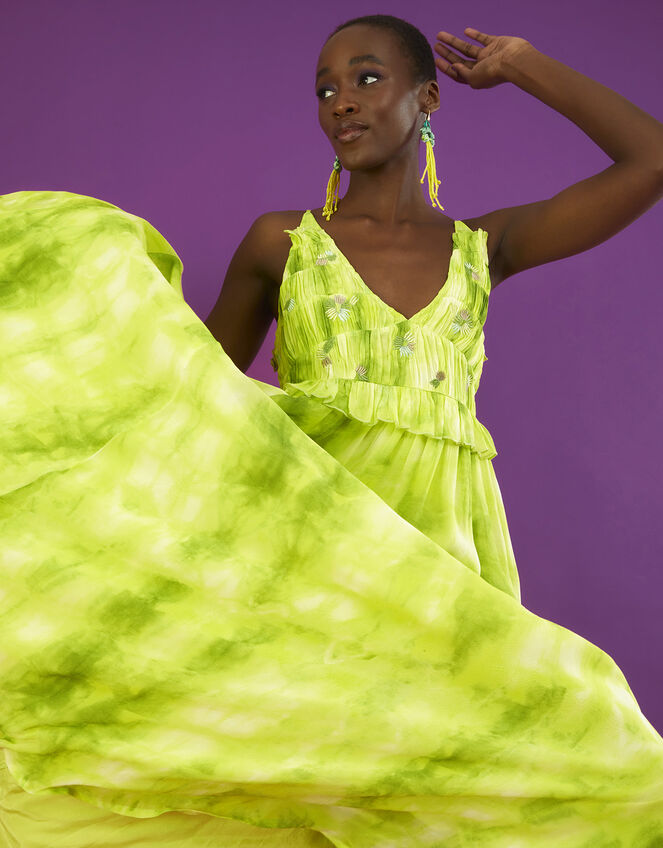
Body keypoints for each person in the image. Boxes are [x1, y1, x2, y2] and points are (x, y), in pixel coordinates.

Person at [1, 13, 662, 848]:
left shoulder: (482, 248)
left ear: (427, 98)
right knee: (299, 773)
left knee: (465, 777)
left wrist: (523, 64)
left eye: (366, 78)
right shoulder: (281, 244)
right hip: (310, 554)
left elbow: (650, 161)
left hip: (442, 555)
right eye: (325, 89)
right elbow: (189, 392)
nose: (341, 102)